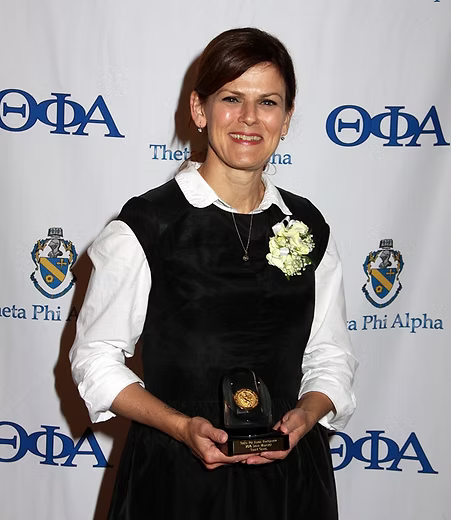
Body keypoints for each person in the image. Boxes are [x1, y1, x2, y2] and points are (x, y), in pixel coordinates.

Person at [70, 27, 357, 520]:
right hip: (176, 480)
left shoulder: (309, 228)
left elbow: (330, 355)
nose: (249, 119)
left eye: (268, 102)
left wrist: (306, 418)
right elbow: (95, 362)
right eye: (231, 98)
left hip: (290, 486)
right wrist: (182, 427)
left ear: (286, 119)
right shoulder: (146, 227)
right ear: (200, 110)